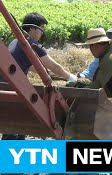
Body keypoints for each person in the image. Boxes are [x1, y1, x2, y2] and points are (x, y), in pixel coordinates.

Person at [0, 12, 77, 141]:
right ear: (32, 29)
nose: (42, 33)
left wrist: (51, 76)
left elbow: (30, 66)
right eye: (41, 29)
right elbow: (55, 66)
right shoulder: (32, 44)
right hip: (12, 89)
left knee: (14, 128)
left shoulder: (14, 41)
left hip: (3, 87)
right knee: (20, 125)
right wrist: (71, 77)